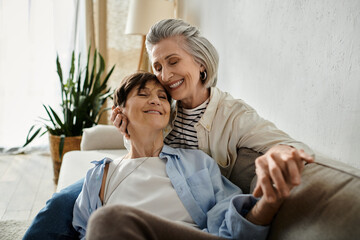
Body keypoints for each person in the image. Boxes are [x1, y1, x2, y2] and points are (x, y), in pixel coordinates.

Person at [23, 19, 314, 240]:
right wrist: (131, 132)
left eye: (173, 62)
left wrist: (281, 157)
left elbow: (284, 145)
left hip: (196, 195)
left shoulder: (232, 117)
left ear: (201, 64)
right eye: (158, 66)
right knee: (63, 202)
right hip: (140, 188)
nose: (165, 76)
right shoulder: (169, 108)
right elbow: (148, 158)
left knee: (107, 219)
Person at [73, 72, 296, 240]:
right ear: (118, 112)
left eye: (162, 97)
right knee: (104, 222)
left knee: (108, 219)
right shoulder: (99, 176)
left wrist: (268, 203)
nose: (156, 101)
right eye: (143, 95)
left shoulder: (197, 163)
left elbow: (230, 226)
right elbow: (87, 232)